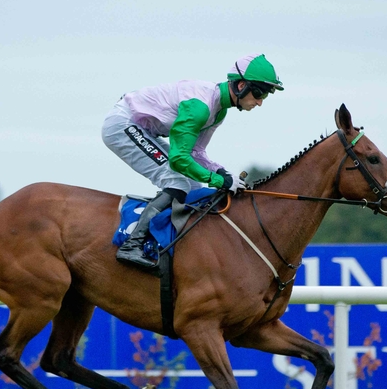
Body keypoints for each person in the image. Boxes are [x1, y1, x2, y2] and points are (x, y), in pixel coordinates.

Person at [102, 53, 284, 269]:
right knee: (176, 180)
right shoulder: (200, 108)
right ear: (241, 85)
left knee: (193, 187)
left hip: (142, 129)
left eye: (266, 95)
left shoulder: (219, 111)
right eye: (259, 92)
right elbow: (179, 159)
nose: (260, 102)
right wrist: (217, 181)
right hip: (123, 125)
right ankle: (133, 244)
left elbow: (196, 152)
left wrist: (223, 173)